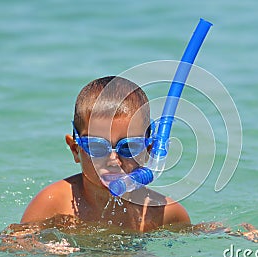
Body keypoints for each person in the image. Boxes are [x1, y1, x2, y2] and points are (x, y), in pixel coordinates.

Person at [21, 76, 190, 232]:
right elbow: (12, 247)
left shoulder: (165, 214)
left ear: (147, 150)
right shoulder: (54, 204)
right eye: (97, 147)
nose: (114, 161)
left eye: (129, 147)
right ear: (75, 149)